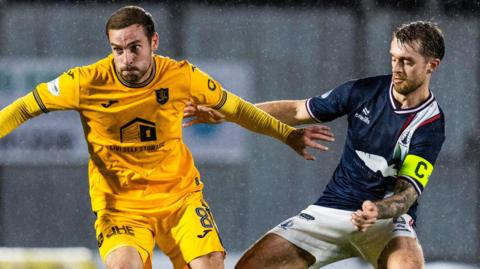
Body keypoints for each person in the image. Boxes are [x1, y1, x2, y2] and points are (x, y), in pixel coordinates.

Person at [0, 6, 335, 269]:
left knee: (210, 264)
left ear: (153, 43)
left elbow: (236, 108)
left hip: (179, 199)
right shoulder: (85, 82)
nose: (126, 60)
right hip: (121, 207)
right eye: (117, 50)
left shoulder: (181, 76)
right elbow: (22, 108)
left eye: (134, 48)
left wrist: (286, 135)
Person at [183, 21, 445, 269]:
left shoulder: (429, 124)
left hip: (386, 221)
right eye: (393, 58)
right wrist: (230, 113)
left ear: (432, 65)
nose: (397, 68)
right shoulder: (363, 92)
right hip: (333, 209)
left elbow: (407, 195)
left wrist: (379, 210)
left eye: (407, 62)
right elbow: (297, 111)